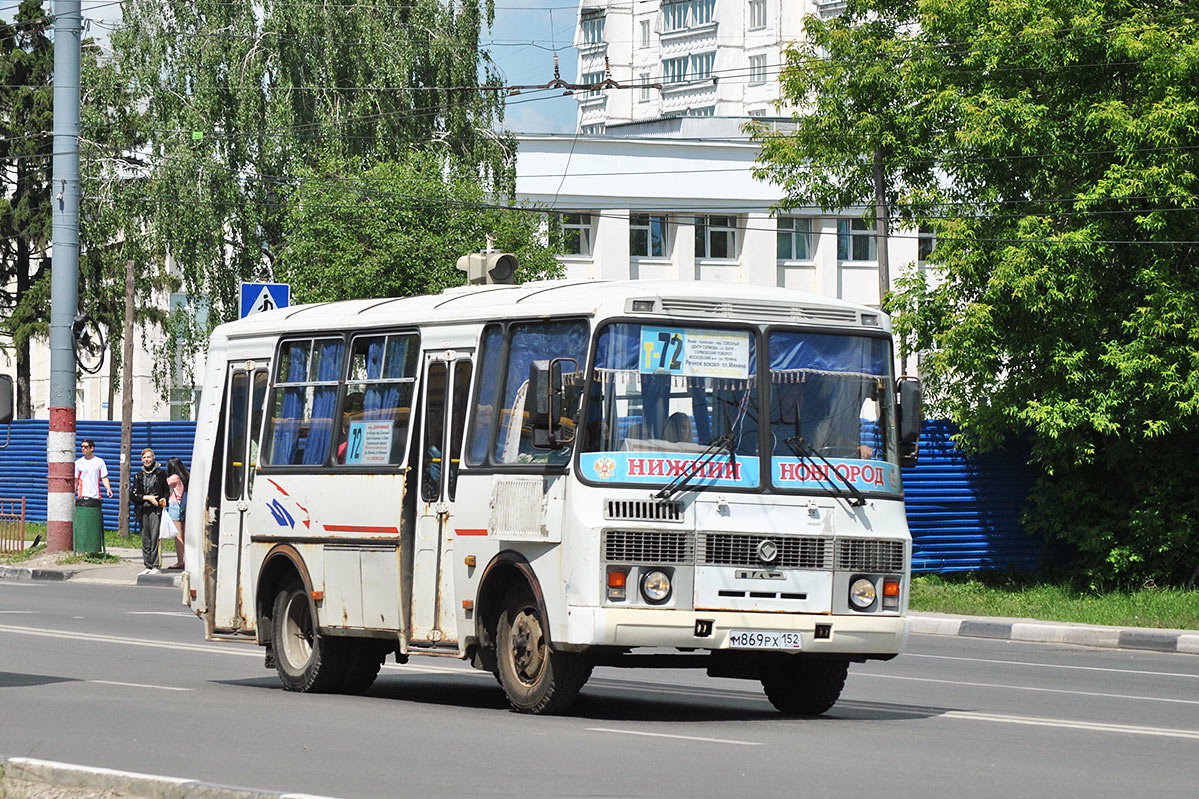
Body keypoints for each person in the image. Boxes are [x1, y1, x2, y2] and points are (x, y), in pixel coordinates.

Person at [131, 448, 168, 574]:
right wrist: (147, 498)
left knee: (155, 536)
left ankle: (156, 565)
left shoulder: (161, 474)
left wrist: (164, 499)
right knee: (145, 538)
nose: (147, 460)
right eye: (144, 458)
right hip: (142, 510)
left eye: (149, 457)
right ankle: (147, 565)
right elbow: (133, 495)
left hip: (155, 510)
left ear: (153, 458)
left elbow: (166, 491)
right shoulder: (138, 475)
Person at [164, 457, 189, 570]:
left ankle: (180, 561)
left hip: (175, 506)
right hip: (183, 506)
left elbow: (164, 482)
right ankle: (187, 559)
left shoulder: (174, 478)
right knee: (184, 534)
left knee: (178, 535)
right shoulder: (185, 476)